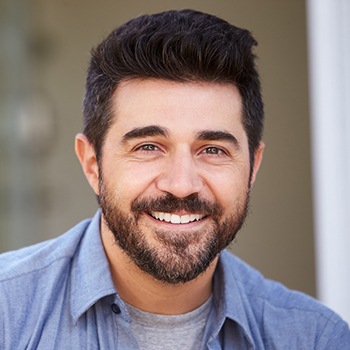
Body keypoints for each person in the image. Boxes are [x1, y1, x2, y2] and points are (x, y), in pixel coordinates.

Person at [0, 9, 349, 350]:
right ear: (93, 164)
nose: (182, 185)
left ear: (252, 167)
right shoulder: (7, 314)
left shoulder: (315, 337)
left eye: (212, 150)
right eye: (149, 146)